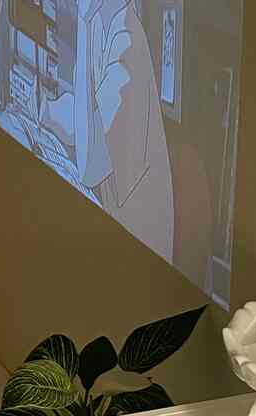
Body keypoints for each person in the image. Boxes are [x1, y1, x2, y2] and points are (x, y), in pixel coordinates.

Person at [40, 0, 174, 261]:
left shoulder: (127, 45)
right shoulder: (103, 25)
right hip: (111, 228)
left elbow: (90, 165)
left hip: (140, 254)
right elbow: (84, 120)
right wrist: (42, 107)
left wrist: (82, 20)